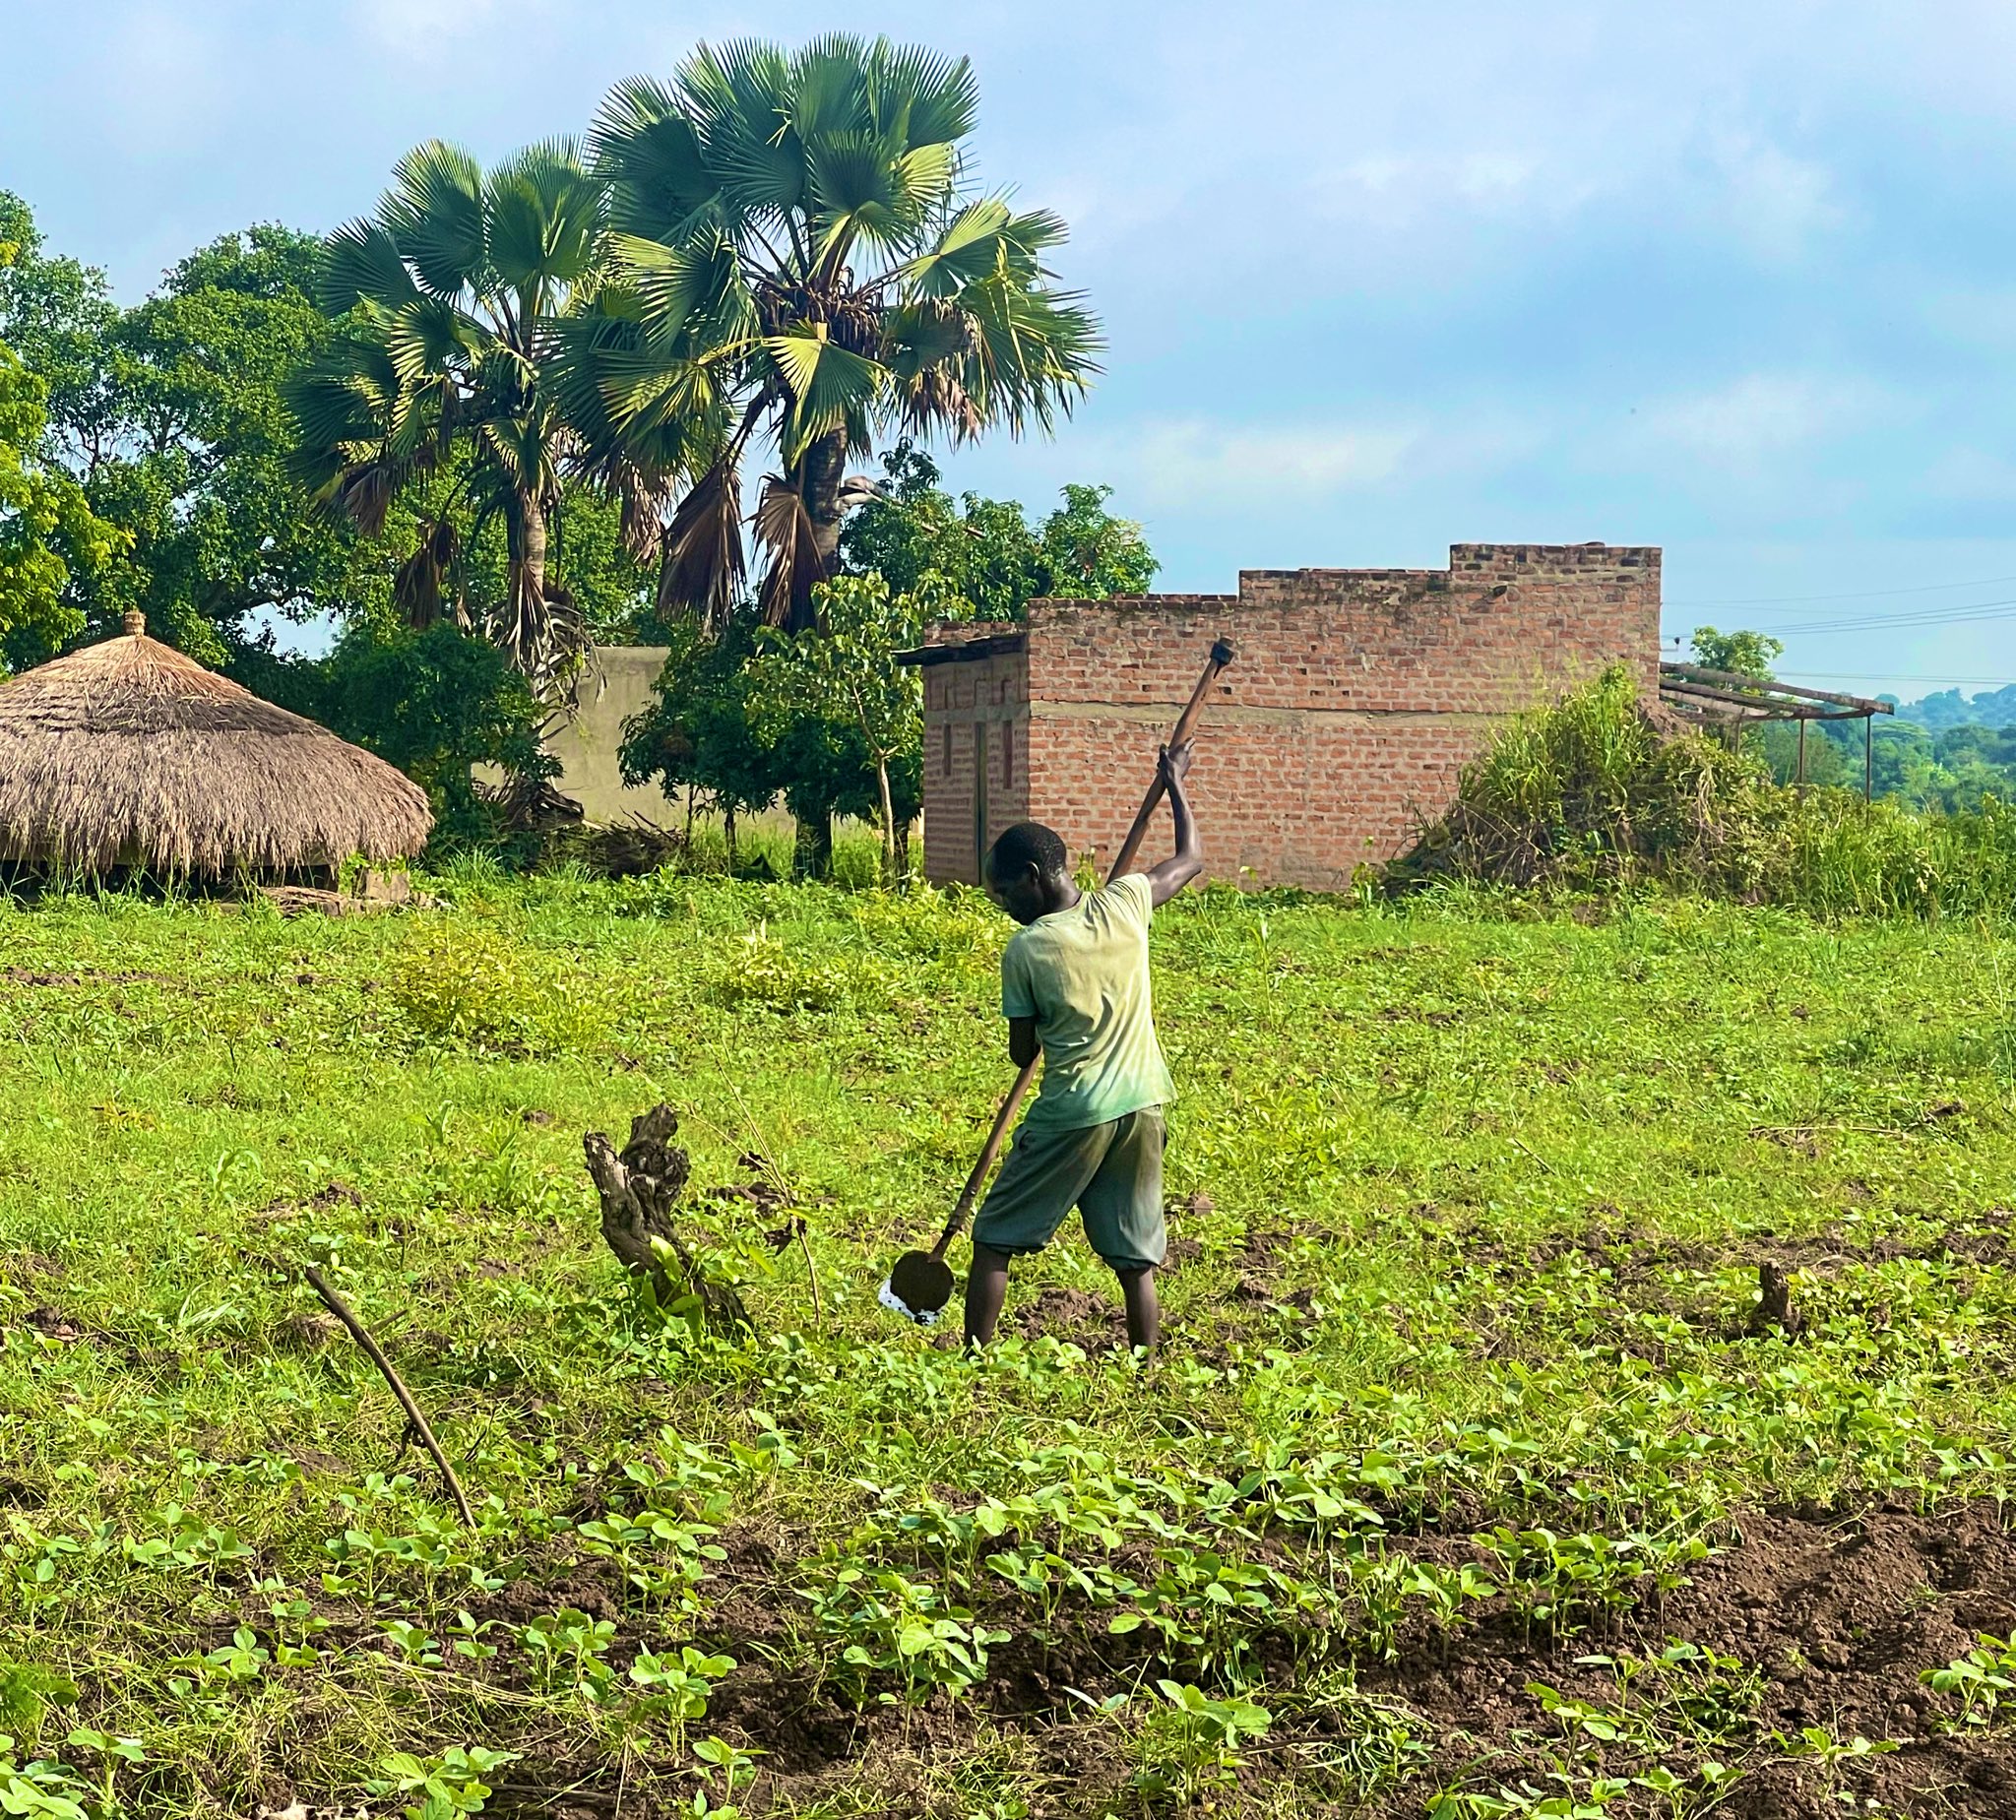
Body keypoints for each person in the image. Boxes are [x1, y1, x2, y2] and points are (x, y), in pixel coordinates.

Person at [966, 741, 1205, 1354]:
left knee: (994, 1236)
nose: (1001, 906)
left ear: (1032, 878)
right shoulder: (1126, 903)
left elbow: (1024, 1054)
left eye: (1001, 894)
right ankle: (1145, 1364)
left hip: (1074, 1113)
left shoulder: (1025, 951)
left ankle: (971, 1361)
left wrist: (1050, 1015)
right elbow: (1190, 858)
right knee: (1134, 1256)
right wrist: (1174, 781)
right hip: (1143, 1103)